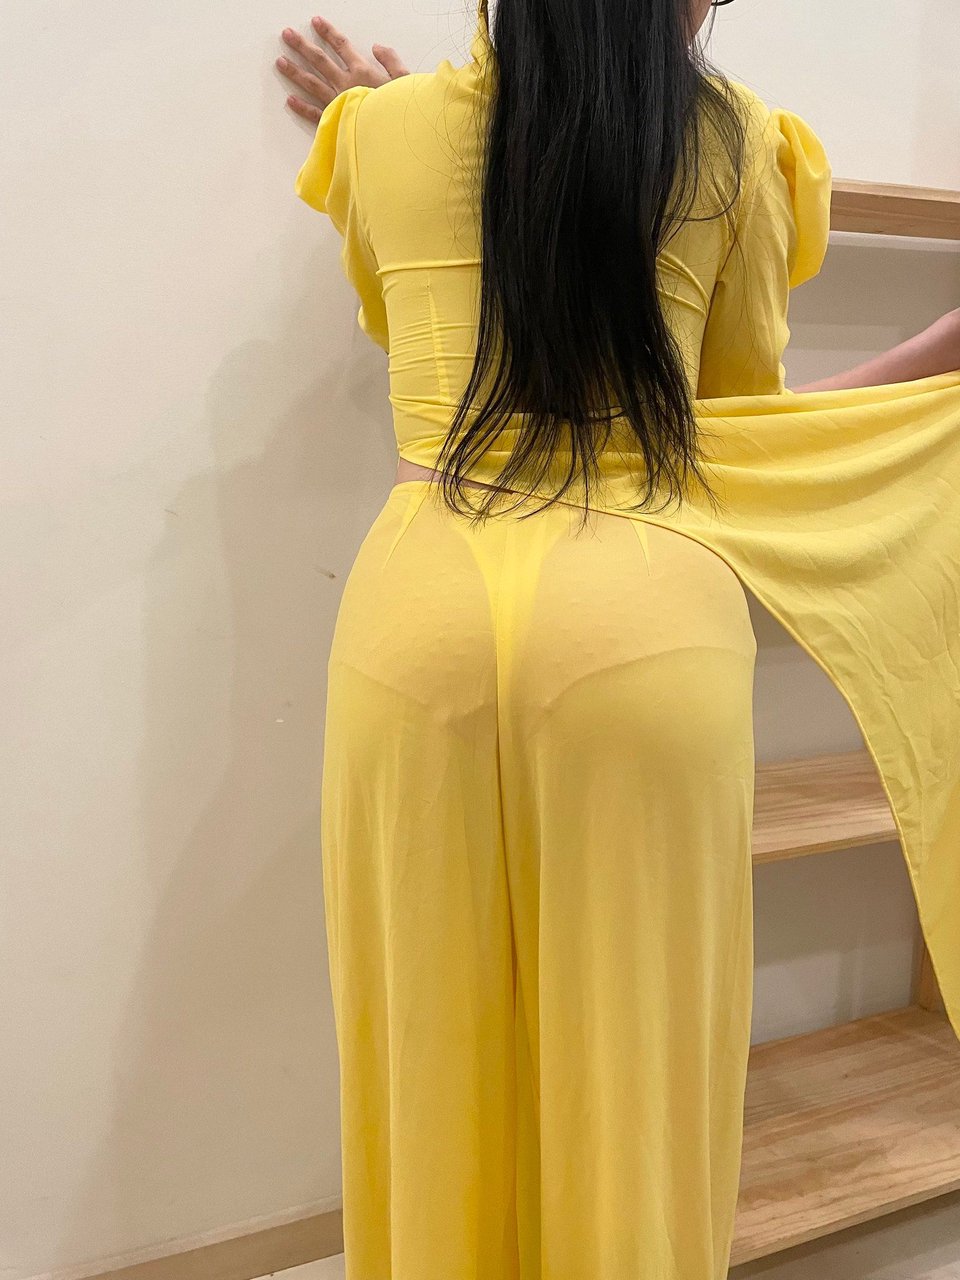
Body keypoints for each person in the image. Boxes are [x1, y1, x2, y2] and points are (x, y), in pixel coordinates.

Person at [276, 3, 960, 1276]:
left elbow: (426, 320)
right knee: (637, 1058)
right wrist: (940, 351)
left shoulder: (377, 135)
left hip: (418, 606)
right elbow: (732, 423)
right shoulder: (741, 145)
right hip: (641, 612)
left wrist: (394, 122)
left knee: (426, 1039)